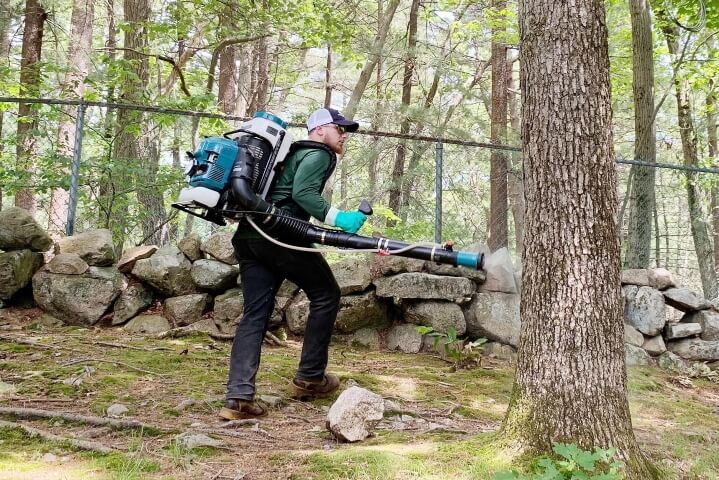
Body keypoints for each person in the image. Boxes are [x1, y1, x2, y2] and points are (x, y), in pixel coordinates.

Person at [220, 107, 367, 420]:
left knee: (254, 315)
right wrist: (340, 218)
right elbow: (302, 194)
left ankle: (239, 397)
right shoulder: (319, 153)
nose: (343, 135)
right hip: (281, 235)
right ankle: (310, 377)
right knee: (326, 293)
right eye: (339, 129)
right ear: (318, 130)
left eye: (345, 131)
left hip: (250, 237)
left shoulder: (288, 156)